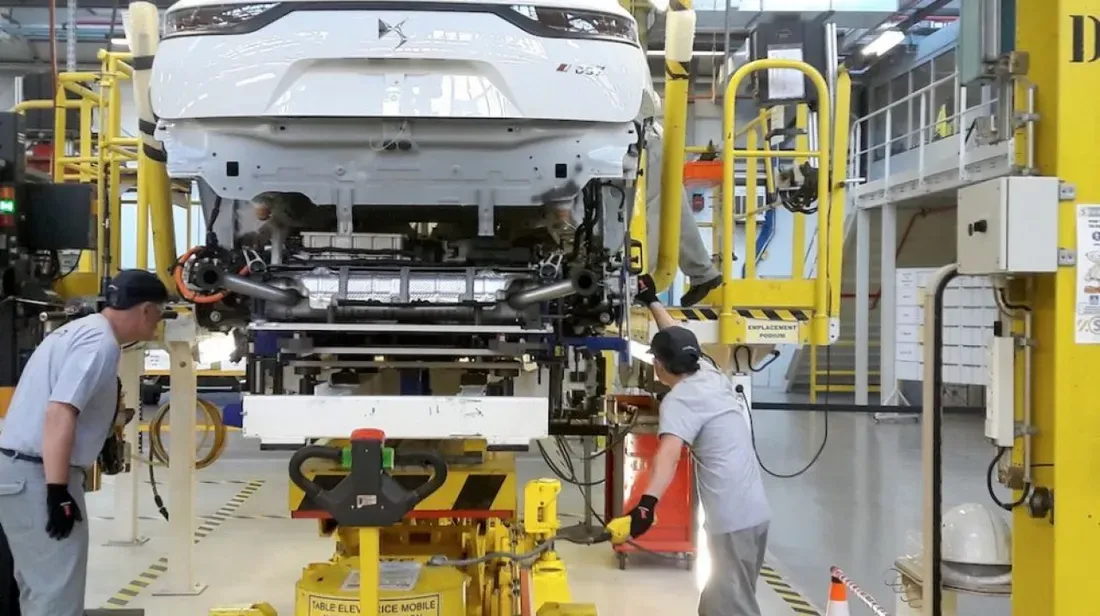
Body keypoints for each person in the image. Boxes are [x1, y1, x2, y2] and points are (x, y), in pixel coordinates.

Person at [0, 269, 168, 616]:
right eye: (160, 315)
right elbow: (60, 411)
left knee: (38, 588)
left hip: (18, 471)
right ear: (146, 310)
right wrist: (57, 492)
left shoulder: (76, 330)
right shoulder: (99, 345)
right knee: (56, 597)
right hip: (37, 476)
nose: (157, 325)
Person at [621, 273, 771, 616]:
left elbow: (669, 455)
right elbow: (673, 333)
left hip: (732, 522)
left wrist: (647, 504)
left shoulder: (680, 400)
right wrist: (651, 300)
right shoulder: (708, 371)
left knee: (732, 608)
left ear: (658, 365)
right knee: (718, 602)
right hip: (754, 515)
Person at [644, 124, 723, 307]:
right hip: (647, 141)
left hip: (637, 144)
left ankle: (634, 279)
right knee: (672, 199)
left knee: (658, 205)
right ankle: (703, 272)